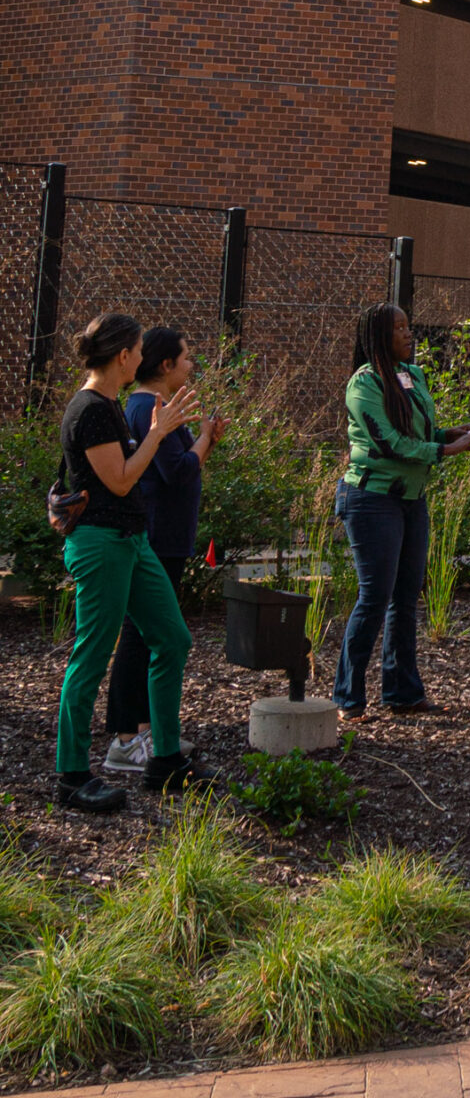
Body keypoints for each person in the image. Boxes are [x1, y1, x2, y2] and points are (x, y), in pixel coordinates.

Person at [53, 312, 201, 812]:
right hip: (102, 544)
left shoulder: (109, 405)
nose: (142, 359)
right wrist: (158, 435)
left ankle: (163, 759)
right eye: (138, 351)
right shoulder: (90, 408)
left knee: (172, 638)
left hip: (131, 541)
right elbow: (118, 481)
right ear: (123, 356)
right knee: (91, 655)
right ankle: (72, 776)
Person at [335, 303, 470, 719]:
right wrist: (444, 450)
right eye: (397, 327)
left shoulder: (411, 376)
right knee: (375, 595)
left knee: (405, 596)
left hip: (410, 500)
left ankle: (402, 693)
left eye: (407, 325)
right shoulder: (362, 384)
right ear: (379, 336)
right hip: (371, 499)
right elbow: (388, 444)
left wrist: (445, 434)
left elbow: (414, 431)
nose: (408, 333)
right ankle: (347, 696)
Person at [101, 326, 226, 779]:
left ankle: (148, 732)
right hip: (154, 537)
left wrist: (205, 439)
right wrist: (205, 440)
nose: (192, 366)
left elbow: (181, 468)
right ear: (166, 365)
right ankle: (124, 740)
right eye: (187, 358)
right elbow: (177, 471)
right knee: (141, 636)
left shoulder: (154, 407)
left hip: (166, 537)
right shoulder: (147, 408)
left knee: (152, 636)